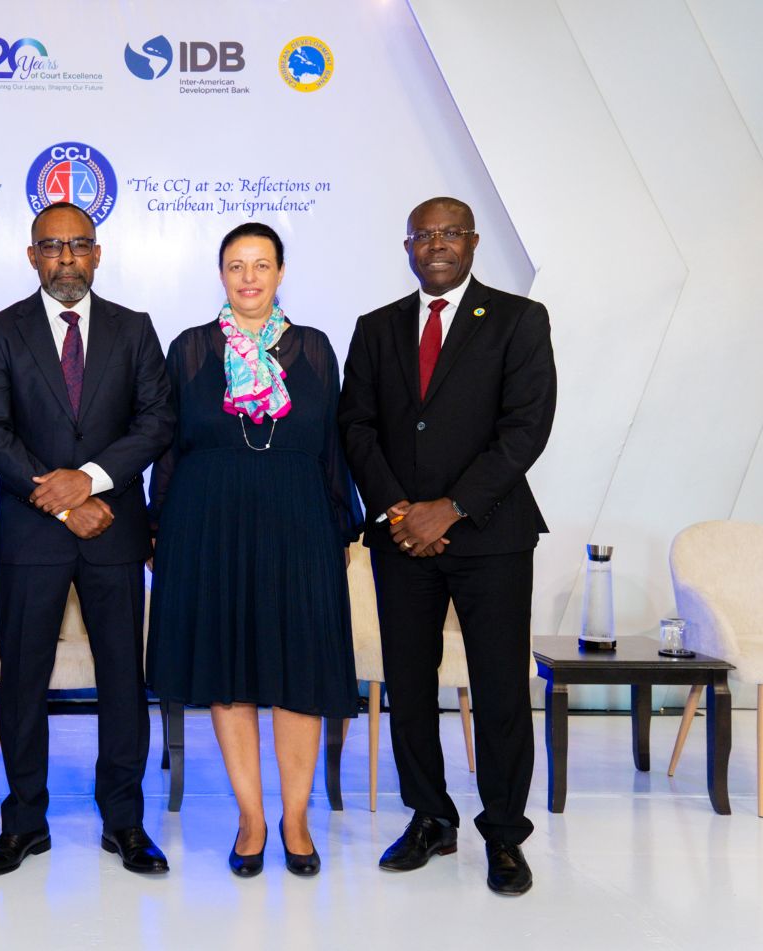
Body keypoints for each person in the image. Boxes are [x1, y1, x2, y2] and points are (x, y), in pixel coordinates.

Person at [338, 196, 556, 896]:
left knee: (499, 687)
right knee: (408, 683)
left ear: (473, 241)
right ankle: (430, 816)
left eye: (450, 233)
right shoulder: (376, 327)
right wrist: (399, 509)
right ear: (408, 246)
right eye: (424, 234)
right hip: (400, 536)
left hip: (491, 533)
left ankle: (504, 832)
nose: (437, 244)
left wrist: (451, 509)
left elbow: (526, 427)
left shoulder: (519, 319)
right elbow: (355, 425)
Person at [146, 222, 362, 878]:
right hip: (208, 528)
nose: (248, 277)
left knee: (300, 674)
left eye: (261, 265)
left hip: (299, 526)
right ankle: (251, 818)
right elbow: (166, 447)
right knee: (227, 670)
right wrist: (159, 529)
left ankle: (295, 818)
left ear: (280, 272)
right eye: (236, 265)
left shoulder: (315, 348)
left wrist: (340, 528)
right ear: (221, 274)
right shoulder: (189, 349)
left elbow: (333, 447)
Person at [0, 201, 175, 876]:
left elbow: (156, 421)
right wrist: (61, 504)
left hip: (114, 528)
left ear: (97, 253)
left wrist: (89, 482)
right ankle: (24, 823)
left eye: (78, 245)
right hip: (33, 535)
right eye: (52, 246)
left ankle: (125, 823)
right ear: (32, 255)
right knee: (23, 682)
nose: (66, 258)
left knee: (123, 681)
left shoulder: (134, 328)